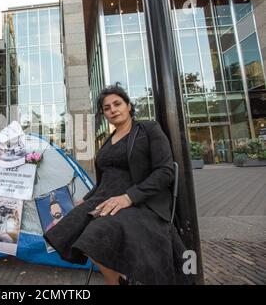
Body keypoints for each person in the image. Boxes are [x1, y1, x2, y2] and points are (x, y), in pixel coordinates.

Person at [43, 83, 190, 285]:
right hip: (103, 200)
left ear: (128, 106)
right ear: (104, 114)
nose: (113, 110)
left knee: (94, 236)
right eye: (107, 108)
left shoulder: (148, 129)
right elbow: (104, 180)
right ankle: (119, 281)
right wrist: (85, 200)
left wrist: (129, 197)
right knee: (69, 229)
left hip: (139, 203)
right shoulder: (107, 140)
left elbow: (165, 172)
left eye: (117, 104)